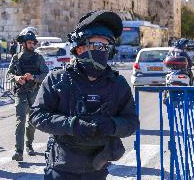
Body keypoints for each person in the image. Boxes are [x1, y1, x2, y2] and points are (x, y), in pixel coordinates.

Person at [30, 10, 139, 180]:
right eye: (96, 45)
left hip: (97, 168)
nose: (102, 51)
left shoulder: (118, 84)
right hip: (62, 167)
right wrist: (72, 125)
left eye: (106, 46)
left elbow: (131, 122)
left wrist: (112, 125)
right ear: (79, 48)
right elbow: (37, 116)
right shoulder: (58, 79)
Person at [7, 27, 49, 161]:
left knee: (32, 121)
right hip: (20, 93)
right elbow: (8, 74)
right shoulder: (16, 57)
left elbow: (46, 75)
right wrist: (16, 78)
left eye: (33, 43)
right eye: (29, 43)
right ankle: (18, 151)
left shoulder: (38, 58)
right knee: (20, 121)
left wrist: (34, 77)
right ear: (23, 44)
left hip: (34, 93)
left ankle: (29, 144)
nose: (32, 45)